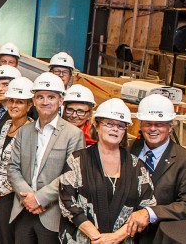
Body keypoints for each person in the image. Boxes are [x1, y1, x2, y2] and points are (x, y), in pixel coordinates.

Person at [58, 98, 156, 244]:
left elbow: (147, 206)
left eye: (121, 126)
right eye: (109, 124)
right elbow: (67, 201)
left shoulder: (137, 166)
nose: (115, 129)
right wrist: (97, 238)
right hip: (82, 239)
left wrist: (116, 237)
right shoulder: (77, 160)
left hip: (122, 240)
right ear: (96, 125)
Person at [7, 72, 83, 244]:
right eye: (40, 97)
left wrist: (40, 198)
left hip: (52, 214)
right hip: (23, 209)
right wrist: (28, 198)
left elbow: (71, 176)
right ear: (34, 100)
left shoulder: (73, 135)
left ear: (61, 100)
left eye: (51, 97)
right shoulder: (25, 131)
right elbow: (13, 168)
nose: (45, 102)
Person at [126, 94, 186, 244]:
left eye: (159, 124)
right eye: (148, 123)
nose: (153, 129)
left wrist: (149, 213)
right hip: (120, 232)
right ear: (140, 125)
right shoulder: (127, 150)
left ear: (170, 126)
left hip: (156, 237)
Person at [0, 77, 35, 244]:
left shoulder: (31, 131)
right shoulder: (6, 125)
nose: (13, 105)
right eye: (11, 101)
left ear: (29, 105)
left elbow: (24, 169)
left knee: (9, 238)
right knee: (0, 237)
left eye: (19, 102)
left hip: (12, 196)